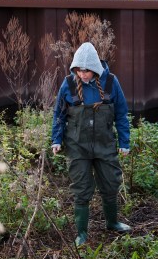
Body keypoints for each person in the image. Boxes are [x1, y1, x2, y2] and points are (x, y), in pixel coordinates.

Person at [51, 41, 131, 246]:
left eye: (86, 70)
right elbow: (59, 114)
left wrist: (124, 142)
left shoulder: (111, 83)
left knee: (111, 183)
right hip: (78, 146)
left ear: (95, 68)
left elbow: (121, 114)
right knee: (81, 188)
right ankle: (82, 234)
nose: (82, 74)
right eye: (79, 69)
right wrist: (56, 139)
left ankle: (112, 222)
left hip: (105, 144)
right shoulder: (68, 84)